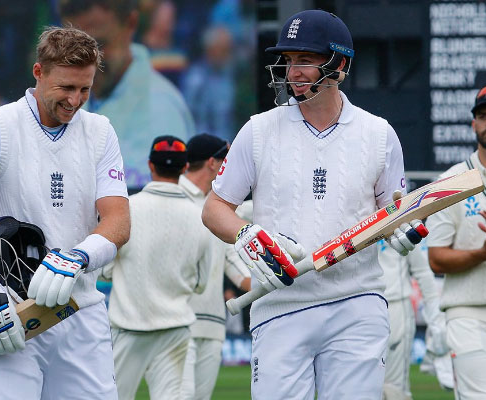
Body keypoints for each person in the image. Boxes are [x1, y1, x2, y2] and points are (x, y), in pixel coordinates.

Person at [201, 10, 427, 399]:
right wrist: (246, 233)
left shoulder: (378, 134)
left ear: (339, 64)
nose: (293, 72)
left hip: (357, 302)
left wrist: (401, 231)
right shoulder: (259, 130)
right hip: (280, 304)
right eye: (288, 61)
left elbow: (391, 212)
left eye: (305, 59)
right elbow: (214, 208)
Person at [0, 26, 130, 399]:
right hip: (9, 315)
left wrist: (79, 256)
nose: (75, 101)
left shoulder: (101, 131)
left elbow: (118, 220)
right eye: (66, 88)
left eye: (84, 89)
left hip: (80, 309)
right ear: (38, 73)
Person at [101, 135, 211, 400]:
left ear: (150, 165)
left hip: (128, 327)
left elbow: (105, 271)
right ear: (185, 168)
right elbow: (201, 283)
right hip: (176, 328)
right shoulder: (201, 216)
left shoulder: (127, 209)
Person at [59, 0, 196, 188]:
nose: (86, 64)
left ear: (131, 24)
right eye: (74, 49)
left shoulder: (162, 109)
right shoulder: (59, 99)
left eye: (99, 46)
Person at [426, 84, 486, 400]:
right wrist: (482, 254)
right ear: (473, 124)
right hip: (468, 312)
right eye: (483, 116)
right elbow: (436, 258)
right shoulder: (451, 183)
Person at [178, 133, 251, 400]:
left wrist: (263, 287)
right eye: (226, 160)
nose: (230, 167)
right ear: (212, 163)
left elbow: (229, 257)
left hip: (213, 323)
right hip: (177, 321)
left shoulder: (215, 206)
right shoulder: (173, 196)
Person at [378, 238, 446, 400]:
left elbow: (422, 270)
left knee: (394, 389)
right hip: (358, 309)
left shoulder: (400, 217)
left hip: (394, 306)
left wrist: (436, 319)